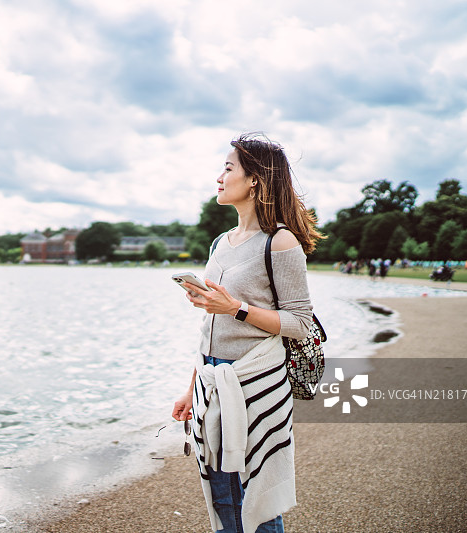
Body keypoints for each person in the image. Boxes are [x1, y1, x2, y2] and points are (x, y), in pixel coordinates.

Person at [172, 133, 322, 533]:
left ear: (254, 179)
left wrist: (234, 308)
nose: (219, 176)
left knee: (257, 500)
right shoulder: (221, 242)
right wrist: (192, 388)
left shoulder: (280, 241)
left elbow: (299, 323)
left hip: (256, 382)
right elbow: (210, 327)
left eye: (228, 167)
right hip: (213, 382)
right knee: (222, 496)